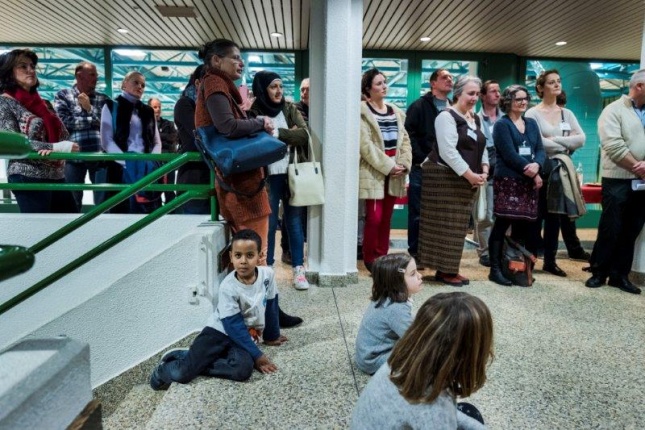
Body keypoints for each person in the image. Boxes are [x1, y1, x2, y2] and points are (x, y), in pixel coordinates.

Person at [195, 39, 302, 327]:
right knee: (257, 257)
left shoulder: (215, 85)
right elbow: (227, 127)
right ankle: (264, 319)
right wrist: (261, 123)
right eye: (235, 58)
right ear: (216, 61)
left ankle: (266, 314)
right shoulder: (215, 85)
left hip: (242, 187)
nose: (240, 63)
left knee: (253, 256)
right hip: (243, 190)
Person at [150, 229, 288, 390]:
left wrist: (272, 335)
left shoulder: (267, 275)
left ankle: (196, 359)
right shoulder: (228, 287)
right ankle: (168, 367)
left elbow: (271, 304)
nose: (243, 261)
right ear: (231, 257)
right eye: (238, 255)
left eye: (250, 255)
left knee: (242, 370)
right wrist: (258, 356)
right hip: (219, 331)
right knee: (183, 374)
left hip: (242, 336)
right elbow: (232, 325)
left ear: (259, 256)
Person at [350, 292, 493, 430]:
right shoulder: (434, 404)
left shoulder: (402, 360)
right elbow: (438, 413)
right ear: (470, 354)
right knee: (472, 413)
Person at [418, 75, 489, 286]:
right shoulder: (445, 117)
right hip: (443, 179)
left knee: (458, 227)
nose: (474, 98)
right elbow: (448, 151)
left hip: (465, 179)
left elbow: (483, 146)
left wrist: (484, 169)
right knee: (445, 225)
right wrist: (470, 175)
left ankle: (449, 269)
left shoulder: (475, 118)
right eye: (470, 93)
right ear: (458, 93)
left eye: (477, 94)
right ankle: (444, 270)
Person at [585, 69, 645, 295]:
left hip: (642, 182)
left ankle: (620, 276)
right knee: (611, 226)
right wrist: (637, 167)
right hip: (618, 179)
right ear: (639, 87)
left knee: (632, 229)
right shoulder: (613, 110)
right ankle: (599, 272)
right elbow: (613, 145)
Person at [249, 70, 310, 290]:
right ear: (263, 89)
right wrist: (288, 134)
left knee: (294, 222)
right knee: (270, 222)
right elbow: (255, 140)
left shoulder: (289, 108)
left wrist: (277, 134)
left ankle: (298, 269)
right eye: (273, 87)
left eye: (281, 87)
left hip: (292, 172)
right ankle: (268, 270)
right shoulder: (253, 112)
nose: (278, 91)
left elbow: (304, 135)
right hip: (268, 176)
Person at [0, 48, 80, 213]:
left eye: (32, 66)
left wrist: (63, 145)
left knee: (72, 228)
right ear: (9, 72)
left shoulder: (43, 104)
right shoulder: (4, 103)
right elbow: (14, 144)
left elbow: (63, 134)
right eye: (23, 66)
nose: (30, 70)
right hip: (27, 176)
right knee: (40, 232)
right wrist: (57, 148)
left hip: (57, 175)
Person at [526, 70, 587, 277]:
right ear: (541, 88)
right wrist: (564, 142)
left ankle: (550, 261)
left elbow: (581, 139)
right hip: (540, 168)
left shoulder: (566, 113)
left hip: (561, 170)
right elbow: (536, 142)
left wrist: (554, 142)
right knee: (535, 217)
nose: (556, 85)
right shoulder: (532, 113)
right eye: (551, 82)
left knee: (555, 217)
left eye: (558, 81)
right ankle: (530, 259)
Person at [488, 85, 545, 286]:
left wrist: (537, 166)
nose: (523, 102)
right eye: (518, 99)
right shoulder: (502, 125)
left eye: (525, 98)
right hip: (508, 180)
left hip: (529, 182)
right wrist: (530, 170)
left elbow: (540, 149)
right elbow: (509, 154)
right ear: (508, 102)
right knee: (502, 224)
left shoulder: (531, 123)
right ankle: (495, 269)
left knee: (524, 225)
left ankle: (517, 266)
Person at [359, 68, 412, 273]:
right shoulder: (363, 112)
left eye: (384, 82)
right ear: (368, 90)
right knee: (375, 218)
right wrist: (389, 166)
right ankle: (370, 257)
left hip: (396, 172)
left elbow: (405, 141)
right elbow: (365, 146)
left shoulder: (395, 111)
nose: (384, 87)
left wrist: (403, 164)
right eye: (378, 84)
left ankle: (382, 256)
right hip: (374, 172)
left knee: (387, 217)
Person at [405, 68, 453, 262]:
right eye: (444, 77)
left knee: (440, 213)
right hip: (422, 167)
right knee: (418, 213)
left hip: (448, 169)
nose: (449, 80)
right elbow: (409, 135)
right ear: (433, 83)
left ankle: (435, 253)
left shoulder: (454, 108)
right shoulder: (419, 106)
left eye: (451, 77)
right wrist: (422, 158)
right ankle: (416, 253)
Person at [101, 71, 162, 214]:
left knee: (148, 211)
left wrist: (151, 163)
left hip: (147, 169)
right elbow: (106, 141)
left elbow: (156, 142)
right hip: (120, 169)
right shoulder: (110, 106)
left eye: (143, 85)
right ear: (124, 84)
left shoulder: (148, 111)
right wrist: (127, 162)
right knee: (123, 211)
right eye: (135, 82)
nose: (140, 86)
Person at [54, 61, 110, 211]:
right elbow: (63, 122)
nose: (96, 78)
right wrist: (92, 120)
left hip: (99, 156)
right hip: (73, 156)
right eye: (92, 74)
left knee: (103, 201)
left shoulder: (103, 99)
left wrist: (89, 108)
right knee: (72, 201)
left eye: (96, 75)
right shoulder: (63, 95)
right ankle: (72, 232)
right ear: (79, 76)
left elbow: (108, 124)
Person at [354, 253, 422, 375]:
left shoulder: (386, 296)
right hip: (373, 361)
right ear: (396, 281)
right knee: (423, 352)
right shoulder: (396, 309)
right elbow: (415, 339)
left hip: (367, 355)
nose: (420, 276)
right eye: (413, 274)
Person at [280, 76, 311, 265]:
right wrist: (297, 132)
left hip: (312, 166)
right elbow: (298, 135)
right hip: (296, 166)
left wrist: (299, 131)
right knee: (293, 211)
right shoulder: (293, 109)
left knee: (306, 211)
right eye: (302, 89)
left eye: (308, 89)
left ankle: (299, 248)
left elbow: (302, 133)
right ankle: (288, 249)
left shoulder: (322, 109)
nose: (305, 92)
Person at [174, 65, 211, 214]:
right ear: (197, 83)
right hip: (194, 177)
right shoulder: (185, 104)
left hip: (211, 177)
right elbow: (200, 131)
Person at [473, 80, 502, 268]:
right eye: (492, 91)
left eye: (498, 91)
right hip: (486, 171)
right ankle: (484, 251)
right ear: (483, 96)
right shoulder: (475, 118)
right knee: (486, 214)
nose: (497, 94)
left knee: (502, 214)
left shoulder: (506, 118)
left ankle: (500, 249)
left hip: (506, 171)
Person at [148, 97, 178, 205]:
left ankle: (172, 213)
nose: (158, 109)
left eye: (159, 107)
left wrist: (157, 138)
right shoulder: (145, 124)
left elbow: (174, 137)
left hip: (168, 161)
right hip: (153, 162)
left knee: (169, 189)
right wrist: (164, 138)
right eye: (155, 107)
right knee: (154, 190)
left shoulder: (168, 124)